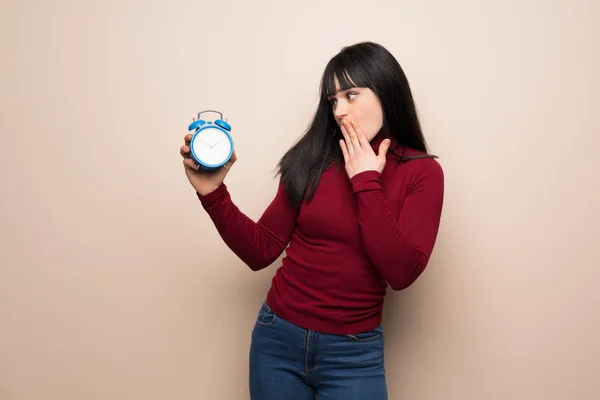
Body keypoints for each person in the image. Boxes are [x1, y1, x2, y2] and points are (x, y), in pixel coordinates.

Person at [180, 41, 444, 399]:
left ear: (386, 92)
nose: (339, 111)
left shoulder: (422, 172)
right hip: (277, 341)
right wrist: (213, 194)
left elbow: (401, 273)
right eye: (333, 100)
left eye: (351, 95)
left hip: (354, 355)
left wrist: (366, 181)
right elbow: (262, 250)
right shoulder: (313, 156)